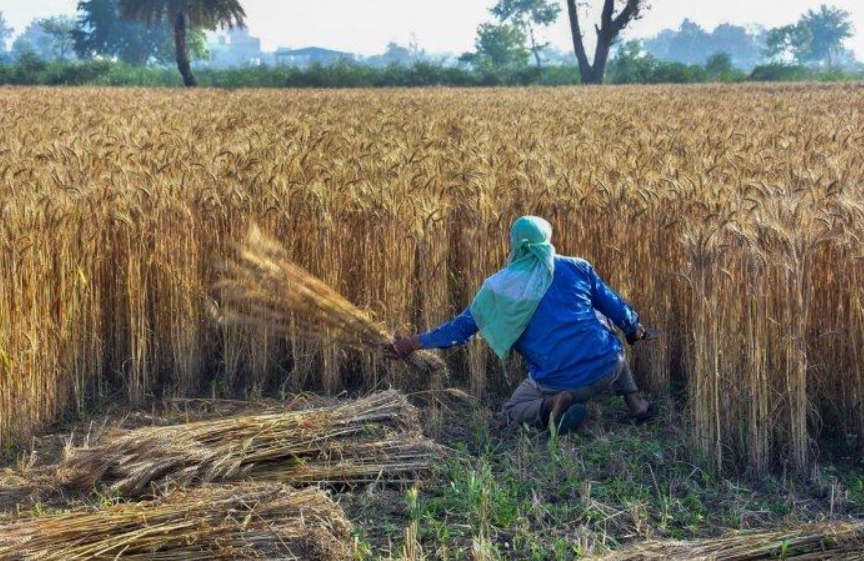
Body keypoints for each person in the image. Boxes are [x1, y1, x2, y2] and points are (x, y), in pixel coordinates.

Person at [388, 215, 655, 433]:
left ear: (514, 243)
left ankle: (551, 404)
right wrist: (635, 328)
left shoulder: (498, 287)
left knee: (513, 410)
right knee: (603, 327)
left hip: (558, 380)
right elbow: (616, 307)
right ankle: (637, 404)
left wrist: (413, 343)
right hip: (607, 369)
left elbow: (460, 329)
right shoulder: (577, 267)